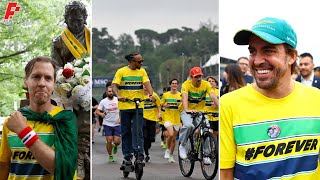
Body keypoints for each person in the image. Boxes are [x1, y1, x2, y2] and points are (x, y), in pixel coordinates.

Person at [220, 17, 320, 180]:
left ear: (292, 56)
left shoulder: (317, 99)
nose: (257, 60)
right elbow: (225, 173)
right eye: (253, 51)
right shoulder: (229, 104)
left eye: (268, 50)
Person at [0, 56, 78, 179]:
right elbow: (4, 165)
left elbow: (62, 168)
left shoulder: (65, 120)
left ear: (53, 84)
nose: (42, 83)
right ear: (26, 81)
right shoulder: (12, 121)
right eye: (36, 77)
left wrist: (24, 132)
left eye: (48, 78)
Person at [51, 2, 91, 179]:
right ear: (66, 20)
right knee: (72, 122)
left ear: (85, 19)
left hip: (90, 87)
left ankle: (85, 154)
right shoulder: (59, 42)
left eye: (79, 20)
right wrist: (67, 79)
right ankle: (76, 157)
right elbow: (56, 66)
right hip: (68, 89)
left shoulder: (92, 37)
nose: (75, 24)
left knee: (87, 121)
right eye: (71, 20)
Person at [112, 52, 155, 165]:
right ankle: (127, 156)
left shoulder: (142, 71)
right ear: (132, 61)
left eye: (142, 61)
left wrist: (151, 95)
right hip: (125, 106)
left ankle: (139, 154)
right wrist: (118, 95)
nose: (142, 63)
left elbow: (147, 84)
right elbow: (114, 86)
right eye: (139, 61)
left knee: (138, 131)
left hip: (138, 106)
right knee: (126, 132)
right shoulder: (121, 71)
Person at [179, 66, 219, 165]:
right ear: (191, 77)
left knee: (205, 130)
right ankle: (182, 145)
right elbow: (184, 97)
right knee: (189, 126)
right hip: (186, 110)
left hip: (200, 111)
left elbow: (213, 96)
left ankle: (206, 155)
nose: (199, 79)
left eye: (200, 76)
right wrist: (187, 109)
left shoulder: (206, 84)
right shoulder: (186, 84)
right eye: (196, 77)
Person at [95, 86, 121, 162]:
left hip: (117, 123)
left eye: (112, 91)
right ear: (107, 92)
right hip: (107, 124)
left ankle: (115, 145)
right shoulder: (103, 101)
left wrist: (120, 118)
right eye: (109, 91)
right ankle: (110, 155)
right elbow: (97, 111)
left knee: (117, 141)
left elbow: (122, 109)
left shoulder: (117, 100)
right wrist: (101, 114)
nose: (111, 93)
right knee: (109, 140)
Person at [161, 78, 182, 163]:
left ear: (177, 85)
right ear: (170, 85)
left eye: (176, 83)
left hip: (177, 118)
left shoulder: (180, 95)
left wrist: (180, 104)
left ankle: (171, 155)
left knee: (173, 139)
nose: (174, 85)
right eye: (173, 83)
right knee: (171, 133)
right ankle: (167, 150)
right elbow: (161, 104)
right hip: (167, 117)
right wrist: (164, 105)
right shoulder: (165, 95)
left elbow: (184, 106)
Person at [142, 85, 161, 162]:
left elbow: (159, 105)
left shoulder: (154, 95)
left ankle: (147, 146)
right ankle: (146, 154)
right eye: (144, 86)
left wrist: (159, 113)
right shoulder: (140, 95)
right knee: (145, 137)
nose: (145, 88)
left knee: (151, 138)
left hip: (152, 118)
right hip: (143, 118)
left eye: (146, 86)